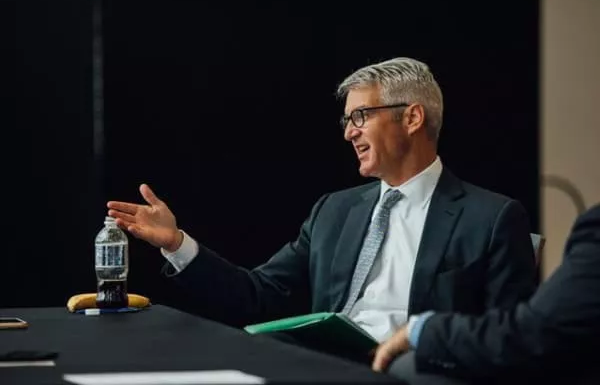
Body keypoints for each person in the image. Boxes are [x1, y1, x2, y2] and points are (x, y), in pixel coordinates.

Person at [107, 57, 537, 361]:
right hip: (326, 364)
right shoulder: (335, 210)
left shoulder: (492, 218)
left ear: (412, 118)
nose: (349, 133)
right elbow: (257, 296)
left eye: (361, 116)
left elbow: (509, 340)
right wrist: (176, 243)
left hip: (414, 368)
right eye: (347, 120)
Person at [372, 203, 600, 384]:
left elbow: (533, 333)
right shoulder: (350, 203)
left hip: (408, 353)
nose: (349, 142)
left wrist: (419, 330)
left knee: (407, 367)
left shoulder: (497, 213)